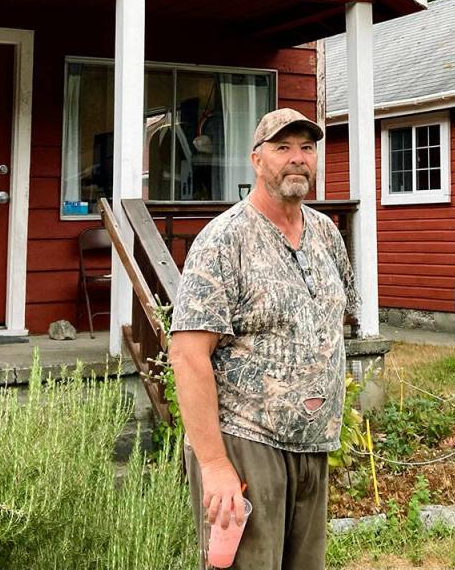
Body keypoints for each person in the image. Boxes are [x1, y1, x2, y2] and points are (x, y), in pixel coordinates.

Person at [169, 108, 357, 570]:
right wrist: (214, 465)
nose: (297, 159)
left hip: (313, 446)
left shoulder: (326, 233)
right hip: (247, 443)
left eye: (307, 148)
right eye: (282, 148)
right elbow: (188, 354)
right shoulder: (224, 240)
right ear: (257, 160)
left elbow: (336, 318)